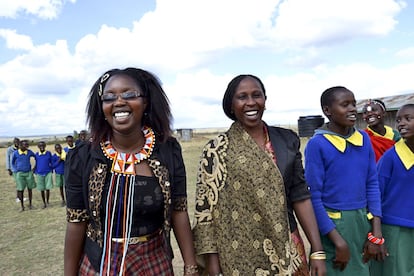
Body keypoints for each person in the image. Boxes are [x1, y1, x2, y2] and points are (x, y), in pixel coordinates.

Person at [64, 67, 198, 275]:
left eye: (129, 94)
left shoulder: (167, 151)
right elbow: (76, 222)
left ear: (145, 102)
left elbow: (179, 211)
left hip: (154, 261)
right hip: (99, 263)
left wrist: (191, 267)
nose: (119, 102)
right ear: (102, 108)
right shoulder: (83, 157)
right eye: (109, 97)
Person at [192, 74, 326, 276]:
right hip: (237, 257)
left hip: (287, 246)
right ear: (231, 105)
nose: (251, 102)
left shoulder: (286, 141)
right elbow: (205, 211)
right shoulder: (216, 150)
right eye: (242, 97)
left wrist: (317, 250)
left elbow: (300, 196)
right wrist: (212, 262)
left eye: (257, 95)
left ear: (265, 100)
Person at [304, 86, 386, 275]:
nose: (352, 109)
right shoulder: (318, 144)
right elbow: (313, 197)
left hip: (362, 224)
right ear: (327, 111)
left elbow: (372, 184)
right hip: (333, 228)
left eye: (353, 104)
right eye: (345, 105)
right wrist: (338, 241)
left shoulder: (363, 139)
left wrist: (376, 233)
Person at [370, 103, 414, 276]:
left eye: (408, 119)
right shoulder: (390, 157)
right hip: (396, 229)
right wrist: (376, 234)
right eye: (398, 120)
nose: (401, 123)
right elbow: (375, 195)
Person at [12, 139, 36, 211]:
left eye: (27, 145)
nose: (26, 146)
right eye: (25, 145)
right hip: (20, 173)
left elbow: (36, 157)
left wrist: (35, 167)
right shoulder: (16, 153)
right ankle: (22, 206)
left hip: (28, 172)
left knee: (30, 189)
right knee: (21, 189)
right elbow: (12, 162)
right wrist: (15, 170)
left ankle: (30, 204)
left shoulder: (29, 152)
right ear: (20, 145)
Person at [34, 141, 54, 209]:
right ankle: (44, 202)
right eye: (40, 146)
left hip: (48, 172)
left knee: (48, 188)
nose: (42, 147)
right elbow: (36, 163)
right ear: (38, 147)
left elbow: (51, 162)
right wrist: (34, 169)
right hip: (39, 173)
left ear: (45, 146)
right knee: (41, 189)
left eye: (43, 145)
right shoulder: (36, 154)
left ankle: (47, 201)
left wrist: (52, 169)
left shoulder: (48, 153)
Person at [6, 137, 20, 202]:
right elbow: (8, 159)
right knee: (18, 183)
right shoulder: (10, 149)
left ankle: (20, 196)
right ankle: (18, 197)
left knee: (21, 183)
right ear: (14, 142)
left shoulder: (20, 148)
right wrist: (9, 169)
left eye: (18, 142)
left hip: (20, 168)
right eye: (15, 142)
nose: (17, 143)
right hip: (14, 169)